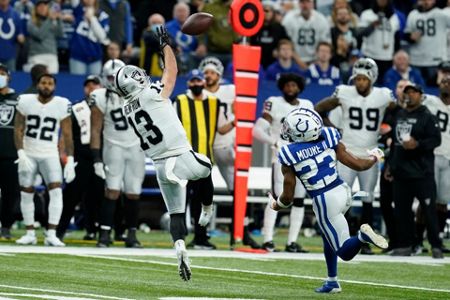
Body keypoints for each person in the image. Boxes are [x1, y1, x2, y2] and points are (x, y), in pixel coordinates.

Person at [115, 26, 212, 281]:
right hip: (179, 156)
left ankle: (180, 246)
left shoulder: (127, 106)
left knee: (177, 213)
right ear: (136, 80)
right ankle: (207, 208)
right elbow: (172, 72)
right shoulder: (149, 94)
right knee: (206, 166)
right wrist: (166, 45)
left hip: (160, 165)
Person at [271, 107, 387, 293]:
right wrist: (374, 157)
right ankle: (332, 281)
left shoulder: (288, 154)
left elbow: (288, 196)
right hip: (343, 191)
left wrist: (276, 204)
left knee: (344, 251)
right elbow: (358, 164)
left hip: (325, 200)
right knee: (328, 236)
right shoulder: (329, 136)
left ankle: (361, 237)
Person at [314, 58, 396, 255]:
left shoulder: (383, 95)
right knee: (343, 197)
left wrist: (389, 130)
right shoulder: (344, 91)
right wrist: (333, 130)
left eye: (364, 79)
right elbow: (319, 108)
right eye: (357, 78)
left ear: (372, 78)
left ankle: (364, 241)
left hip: (371, 152)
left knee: (367, 197)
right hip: (347, 151)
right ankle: (344, 237)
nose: (360, 82)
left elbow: (399, 112)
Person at [198, 56, 261, 249]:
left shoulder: (230, 90)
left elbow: (243, 107)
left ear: (219, 75)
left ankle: (241, 233)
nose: (208, 76)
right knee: (200, 193)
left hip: (225, 146)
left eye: (211, 73)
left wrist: (234, 122)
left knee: (239, 190)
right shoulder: (198, 93)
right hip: (205, 147)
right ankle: (200, 236)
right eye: (205, 72)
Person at [173, 69, 235, 250]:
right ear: (188, 84)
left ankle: (200, 236)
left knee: (201, 198)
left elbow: (222, 129)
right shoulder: (180, 101)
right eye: (192, 82)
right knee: (183, 198)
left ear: (203, 82)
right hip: (184, 156)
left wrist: (238, 120)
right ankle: (181, 236)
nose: (196, 84)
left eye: (198, 81)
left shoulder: (215, 102)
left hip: (205, 159)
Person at [253, 73, 313, 252]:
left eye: (294, 85)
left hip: (302, 157)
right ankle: (268, 239)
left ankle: (292, 242)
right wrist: (274, 142)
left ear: (299, 87)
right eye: (287, 85)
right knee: (278, 197)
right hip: (281, 157)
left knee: (300, 200)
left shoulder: (307, 105)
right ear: (282, 87)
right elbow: (257, 130)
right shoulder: (274, 102)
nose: (290, 88)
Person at [14, 73, 76, 246]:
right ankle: (29, 233)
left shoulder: (62, 104)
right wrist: (20, 152)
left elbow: (67, 135)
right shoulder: (25, 101)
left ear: (54, 86)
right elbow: (18, 129)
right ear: (37, 84)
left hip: (49, 153)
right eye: (43, 83)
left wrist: (70, 159)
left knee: (56, 191)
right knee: (26, 192)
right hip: (29, 152)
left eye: (50, 83)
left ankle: (51, 233)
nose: (46, 86)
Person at [384, 83, 444, 258]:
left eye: (413, 92)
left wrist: (417, 145)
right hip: (401, 172)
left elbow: (436, 140)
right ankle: (405, 245)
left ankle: (436, 246)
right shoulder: (400, 115)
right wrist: (390, 165)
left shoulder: (428, 116)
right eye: (407, 92)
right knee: (402, 212)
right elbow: (395, 144)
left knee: (429, 211)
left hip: (422, 173)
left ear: (421, 95)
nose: (410, 95)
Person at [90, 59, 145, 248]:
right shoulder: (100, 96)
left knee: (133, 192)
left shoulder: (140, 94)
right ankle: (104, 234)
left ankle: (131, 234)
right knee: (112, 190)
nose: (114, 81)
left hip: (136, 148)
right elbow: (95, 130)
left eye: (117, 77)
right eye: (110, 77)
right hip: (113, 147)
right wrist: (96, 157)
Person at [56, 74, 104, 241]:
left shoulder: (107, 106)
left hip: (100, 157)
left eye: (95, 85)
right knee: (71, 196)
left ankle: (95, 231)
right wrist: (65, 158)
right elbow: (65, 134)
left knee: (97, 196)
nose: (91, 88)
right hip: (80, 156)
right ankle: (59, 230)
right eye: (88, 86)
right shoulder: (76, 107)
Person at [423, 75, 450, 252]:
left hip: (448, 158)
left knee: (442, 201)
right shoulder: (429, 101)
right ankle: (419, 239)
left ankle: (438, 238)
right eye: (444, 82)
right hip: (431, 155)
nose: (446, 85)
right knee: (427, 200)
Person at [404, 0, 450, 86]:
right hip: (416, 60)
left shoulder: (441, 14)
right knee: (415, 89)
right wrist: (411, 37)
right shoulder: (413, 14)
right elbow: (406, 34)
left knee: (434, 89)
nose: (425, 1)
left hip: (435, 61)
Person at [358, 0, 401, 83]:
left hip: (388, 58)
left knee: (386, 86)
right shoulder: (367, 14)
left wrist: (395, 54)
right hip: (370, 56)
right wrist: (373, 25)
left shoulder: (394, 17)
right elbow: (360, 34)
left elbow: (397, 37)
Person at [0, 63, 20, 239]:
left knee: (9, 193)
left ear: (8, 76)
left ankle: (5, 226)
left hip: (10, 153)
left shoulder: (19, 99)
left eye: (1, 73)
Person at [282, 0, 330, 65]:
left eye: (308, 2)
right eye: (302, 2)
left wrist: (316, 61)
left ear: (313, 3)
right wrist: (298, 61)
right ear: (298, 4)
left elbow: (325, 44)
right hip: (293, 59)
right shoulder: (289, 19)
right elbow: (285, 43)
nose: (305, 5)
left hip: (316, 61)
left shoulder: (321, 20)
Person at [69, 0, 110, 75]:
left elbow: (102, 36)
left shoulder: (103, 15)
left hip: (95, 57)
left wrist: (92, 18)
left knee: (95, 84)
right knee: (76, 83)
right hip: (78, 56)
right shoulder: (78, 10)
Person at [25, 0, 64, 74]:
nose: (43, 7)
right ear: (36, 8)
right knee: (37, 80)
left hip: (52, 56)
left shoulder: (52, 21)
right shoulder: (31, 22)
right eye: (40, 5)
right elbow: (39, 35)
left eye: (45, 5)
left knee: (52, 81)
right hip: (36, 56)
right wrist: (50, 19)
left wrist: (59, 19)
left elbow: (60, 34)